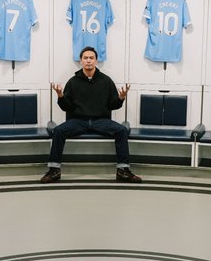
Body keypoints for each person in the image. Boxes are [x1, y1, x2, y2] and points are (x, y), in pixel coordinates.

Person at [41, 46, 141, 183]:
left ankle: (123, 170)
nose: (88, 60)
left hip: (101, 121)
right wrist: (60, 95)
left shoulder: (106, 81)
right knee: (58, 131)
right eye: (85, 58)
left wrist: (121, 98)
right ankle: (54, 170)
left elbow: (113, 106)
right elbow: (66, 107)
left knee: (121, 130)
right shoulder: (73, 82)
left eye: (91, 58)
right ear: (81, 61)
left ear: (96, 61)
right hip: (78, 121)